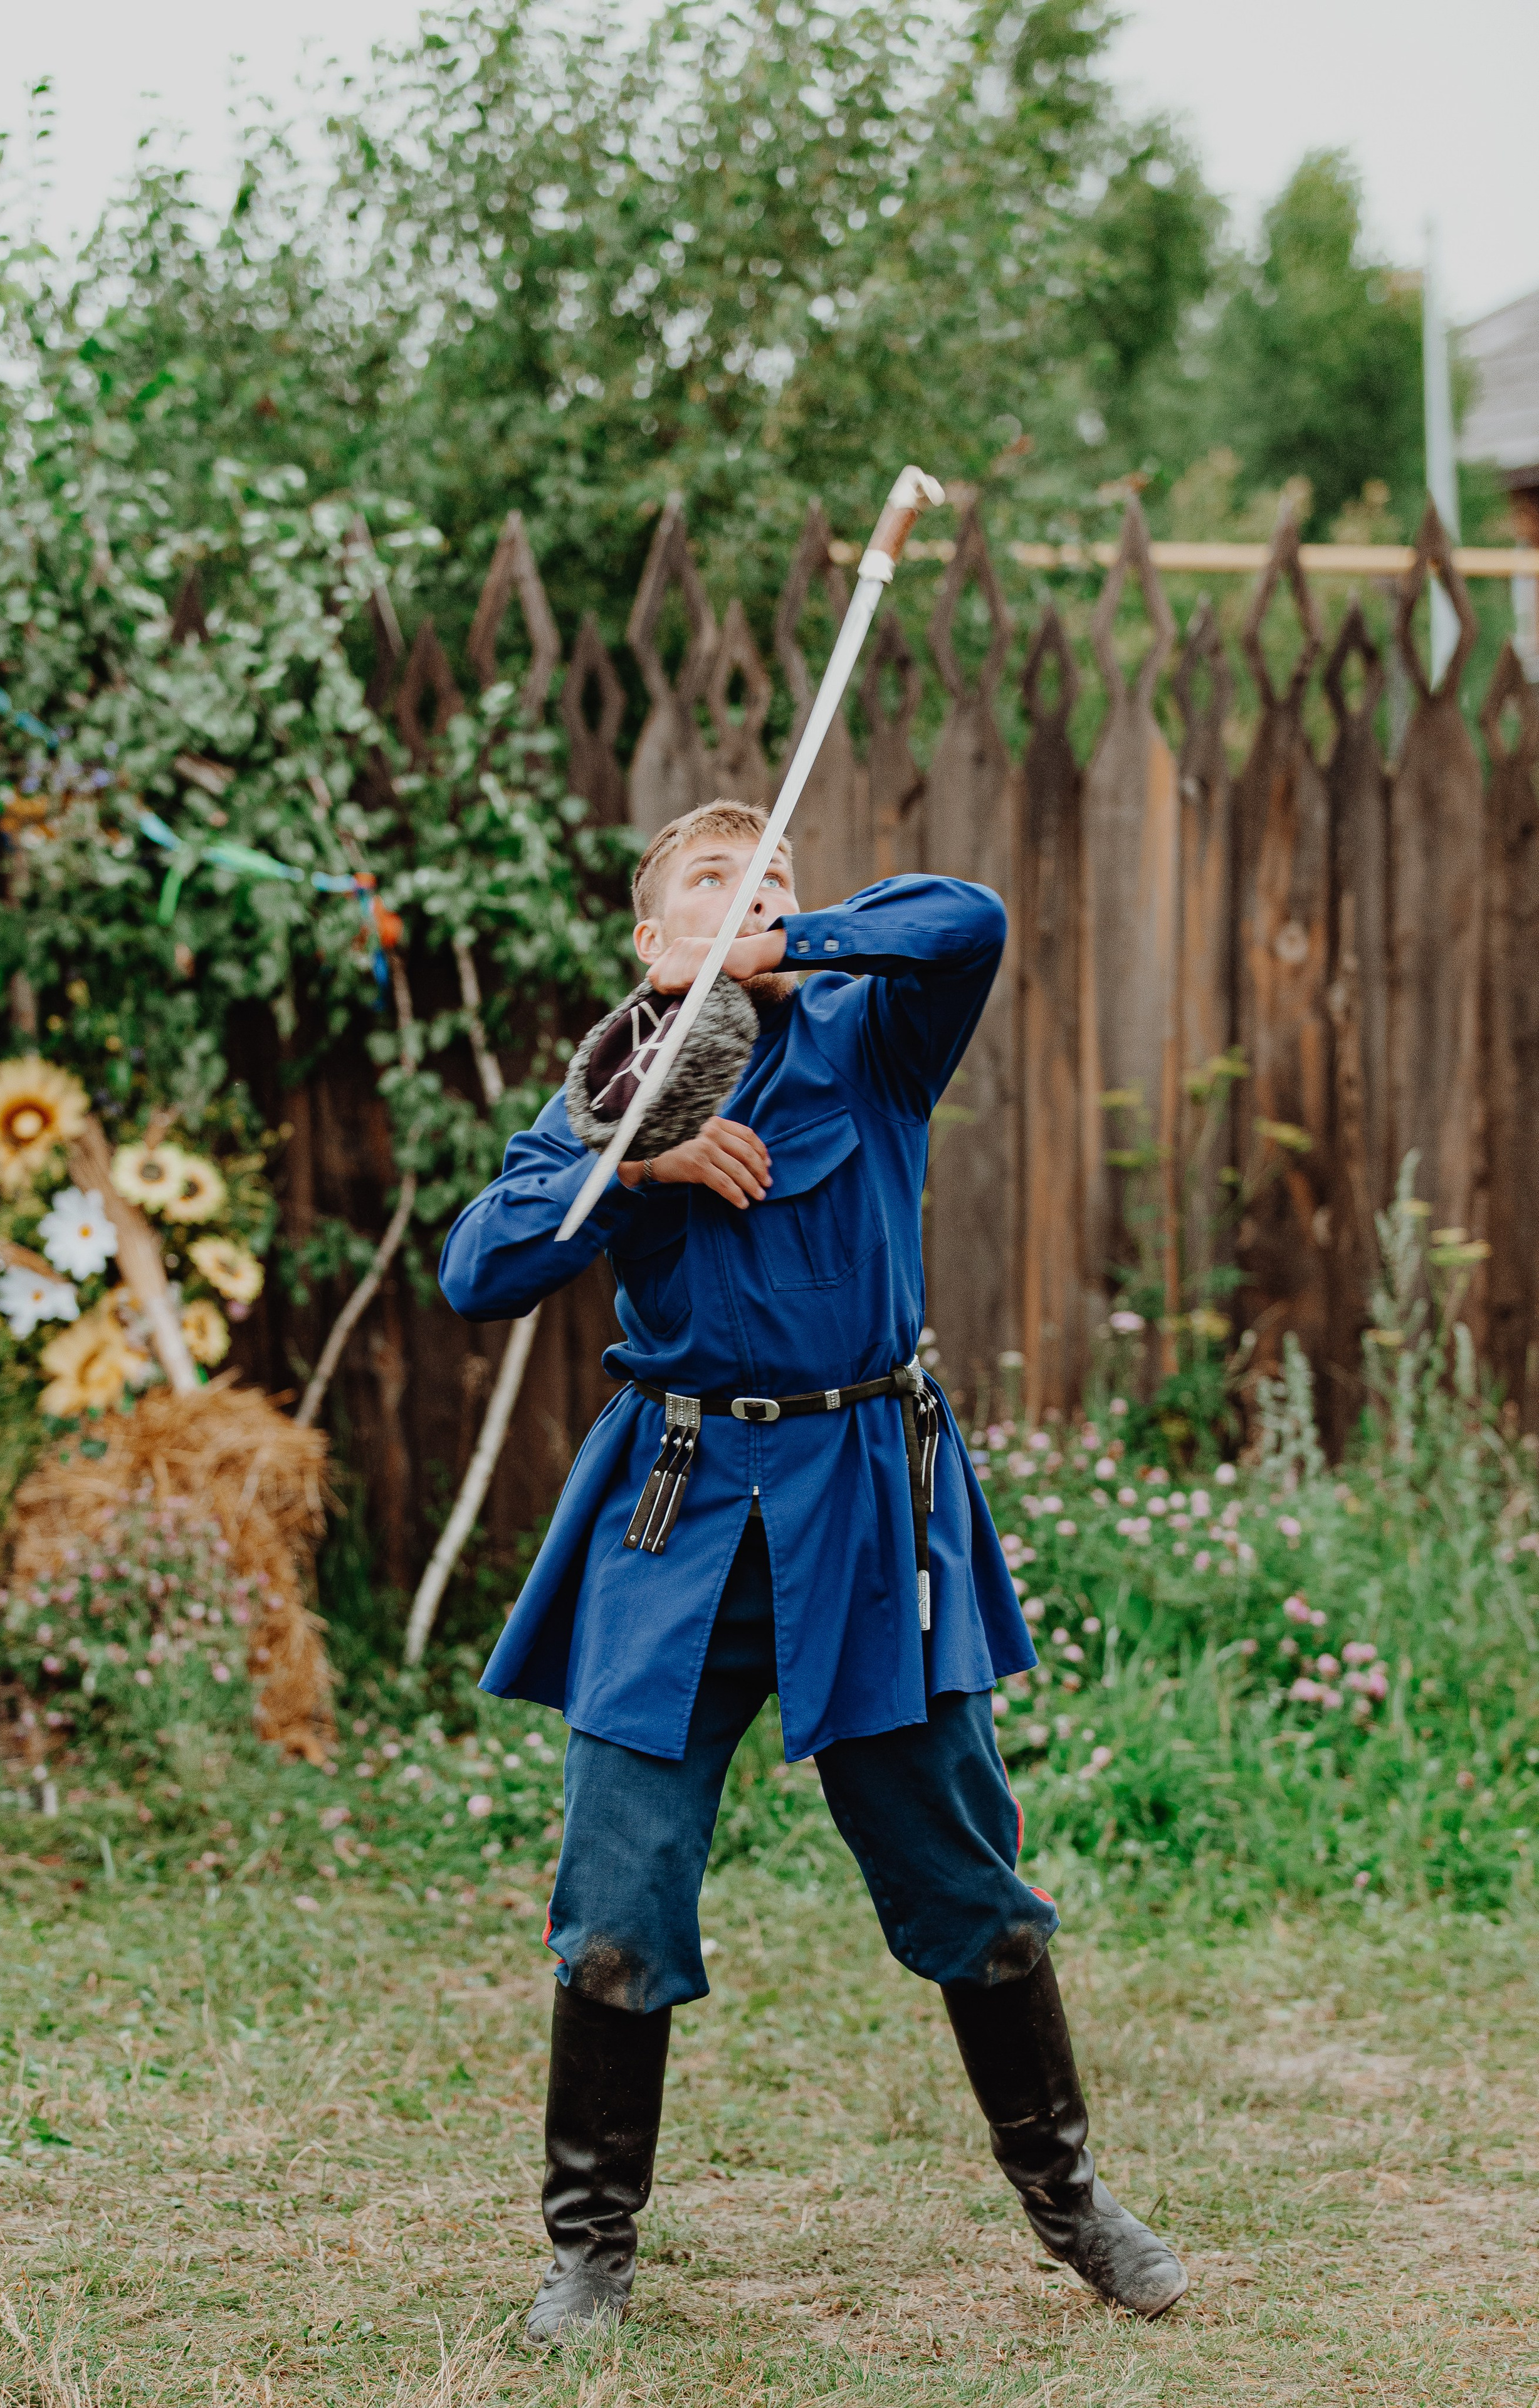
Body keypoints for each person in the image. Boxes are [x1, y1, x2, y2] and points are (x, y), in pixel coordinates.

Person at [438, 800, 1187, 2342]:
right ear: (650, 941)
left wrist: (792, 937)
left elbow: (966, 915)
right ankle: (589, 2253)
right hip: (674, 1514)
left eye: (773, 877)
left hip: (863, 1504)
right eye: (713, 884)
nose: (753, 896)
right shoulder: (607, 1096)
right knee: (616, 1902)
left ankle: (1070, 2202)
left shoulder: (870, 1040)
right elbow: (477, 1272)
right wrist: (629, 1169)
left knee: (966, 1883)